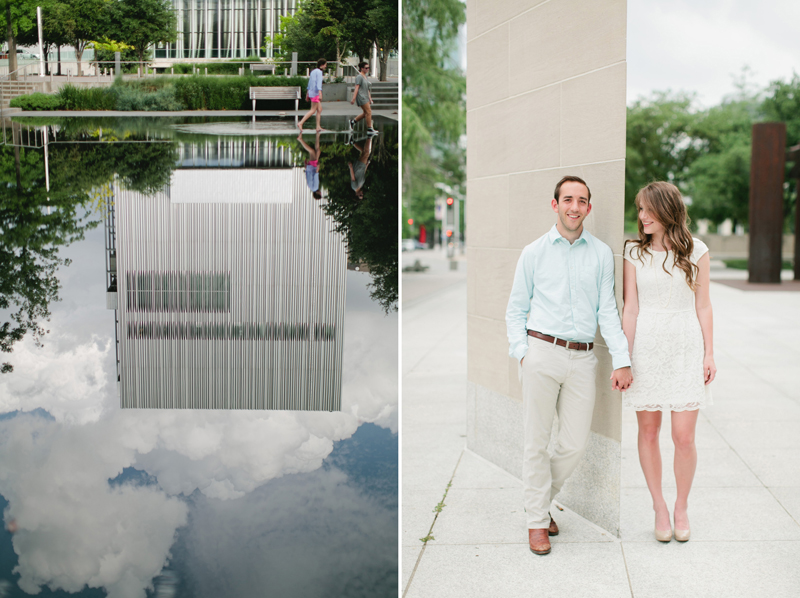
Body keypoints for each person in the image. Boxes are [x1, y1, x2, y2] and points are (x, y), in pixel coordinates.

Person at [506, 175, 633, 556]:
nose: (574, 207)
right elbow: (515, 310)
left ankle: (541, 504)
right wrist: (523, 353)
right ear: (555, 204)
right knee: (535, 442)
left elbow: (608, 311)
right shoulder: (533, 252)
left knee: (574, 444)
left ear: (589, 208)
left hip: (582, 358)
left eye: (581, 201)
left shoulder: (600, 254)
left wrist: (622, 359)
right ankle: (535, 523)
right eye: (567, 199)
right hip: (541, 352)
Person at [621, 181, 715, 543]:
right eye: (639, 209)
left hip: (685, 344)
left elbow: (703, 305)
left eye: (647, 209)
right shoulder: (634, 252)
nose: (641, 216)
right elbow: (631, 308)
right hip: (646, 345)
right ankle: (659, 506)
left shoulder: (697, 251)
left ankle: (681, 506)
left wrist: (709, 352)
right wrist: (624, 358)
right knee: (648, 431)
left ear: (666, 209)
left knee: (683, 436)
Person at [349, 61, 378, 136]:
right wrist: (353, 98)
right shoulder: (359, 77)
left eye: (368, 68)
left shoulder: (366, 76)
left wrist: (370, 98)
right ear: (361, 68)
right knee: (368, 112)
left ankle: (353, 121)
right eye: (366, 68)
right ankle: (369, 128)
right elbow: (356, 88)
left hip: (366, 97)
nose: (367, 69)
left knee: (365, 113)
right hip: (361, 97)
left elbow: (367, 89)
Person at [298, 58, 327, 132]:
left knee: (319, 109)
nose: (325, 66)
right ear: (322, 65)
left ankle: (318, 127)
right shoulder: (319, 72)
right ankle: (301, 123)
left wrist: (307, 94)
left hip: (311, 92)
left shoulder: (313, 71)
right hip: (316, 93)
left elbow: (310, 83)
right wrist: (320, 93)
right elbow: (318, 84)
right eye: (325, 65)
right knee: (313, 110)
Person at [297, 130, 323, 199]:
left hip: (313, 167)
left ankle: (300, 139)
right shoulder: (310, 187)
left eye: (320, 194)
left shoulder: (315, 187)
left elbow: (315, 176)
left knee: (312, 151)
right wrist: (306, 167)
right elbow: (307, 177)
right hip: (309, 168)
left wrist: (318, 168)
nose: (321, 192)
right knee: (318, 151)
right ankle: (317, 135)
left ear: (318, 194)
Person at [348, 136, 372, 200]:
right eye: (362, 195)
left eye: (360, 195)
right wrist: (367, 165)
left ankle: (369, 136)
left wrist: (350, 167)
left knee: (367, 153)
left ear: (356, 194)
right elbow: (363, 173)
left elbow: (352, 177)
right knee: (363, 151)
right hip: (362, 166)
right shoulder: (360, 186)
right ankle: (353, 142)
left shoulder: (354, 187)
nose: (362, 193)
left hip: (358, 166)